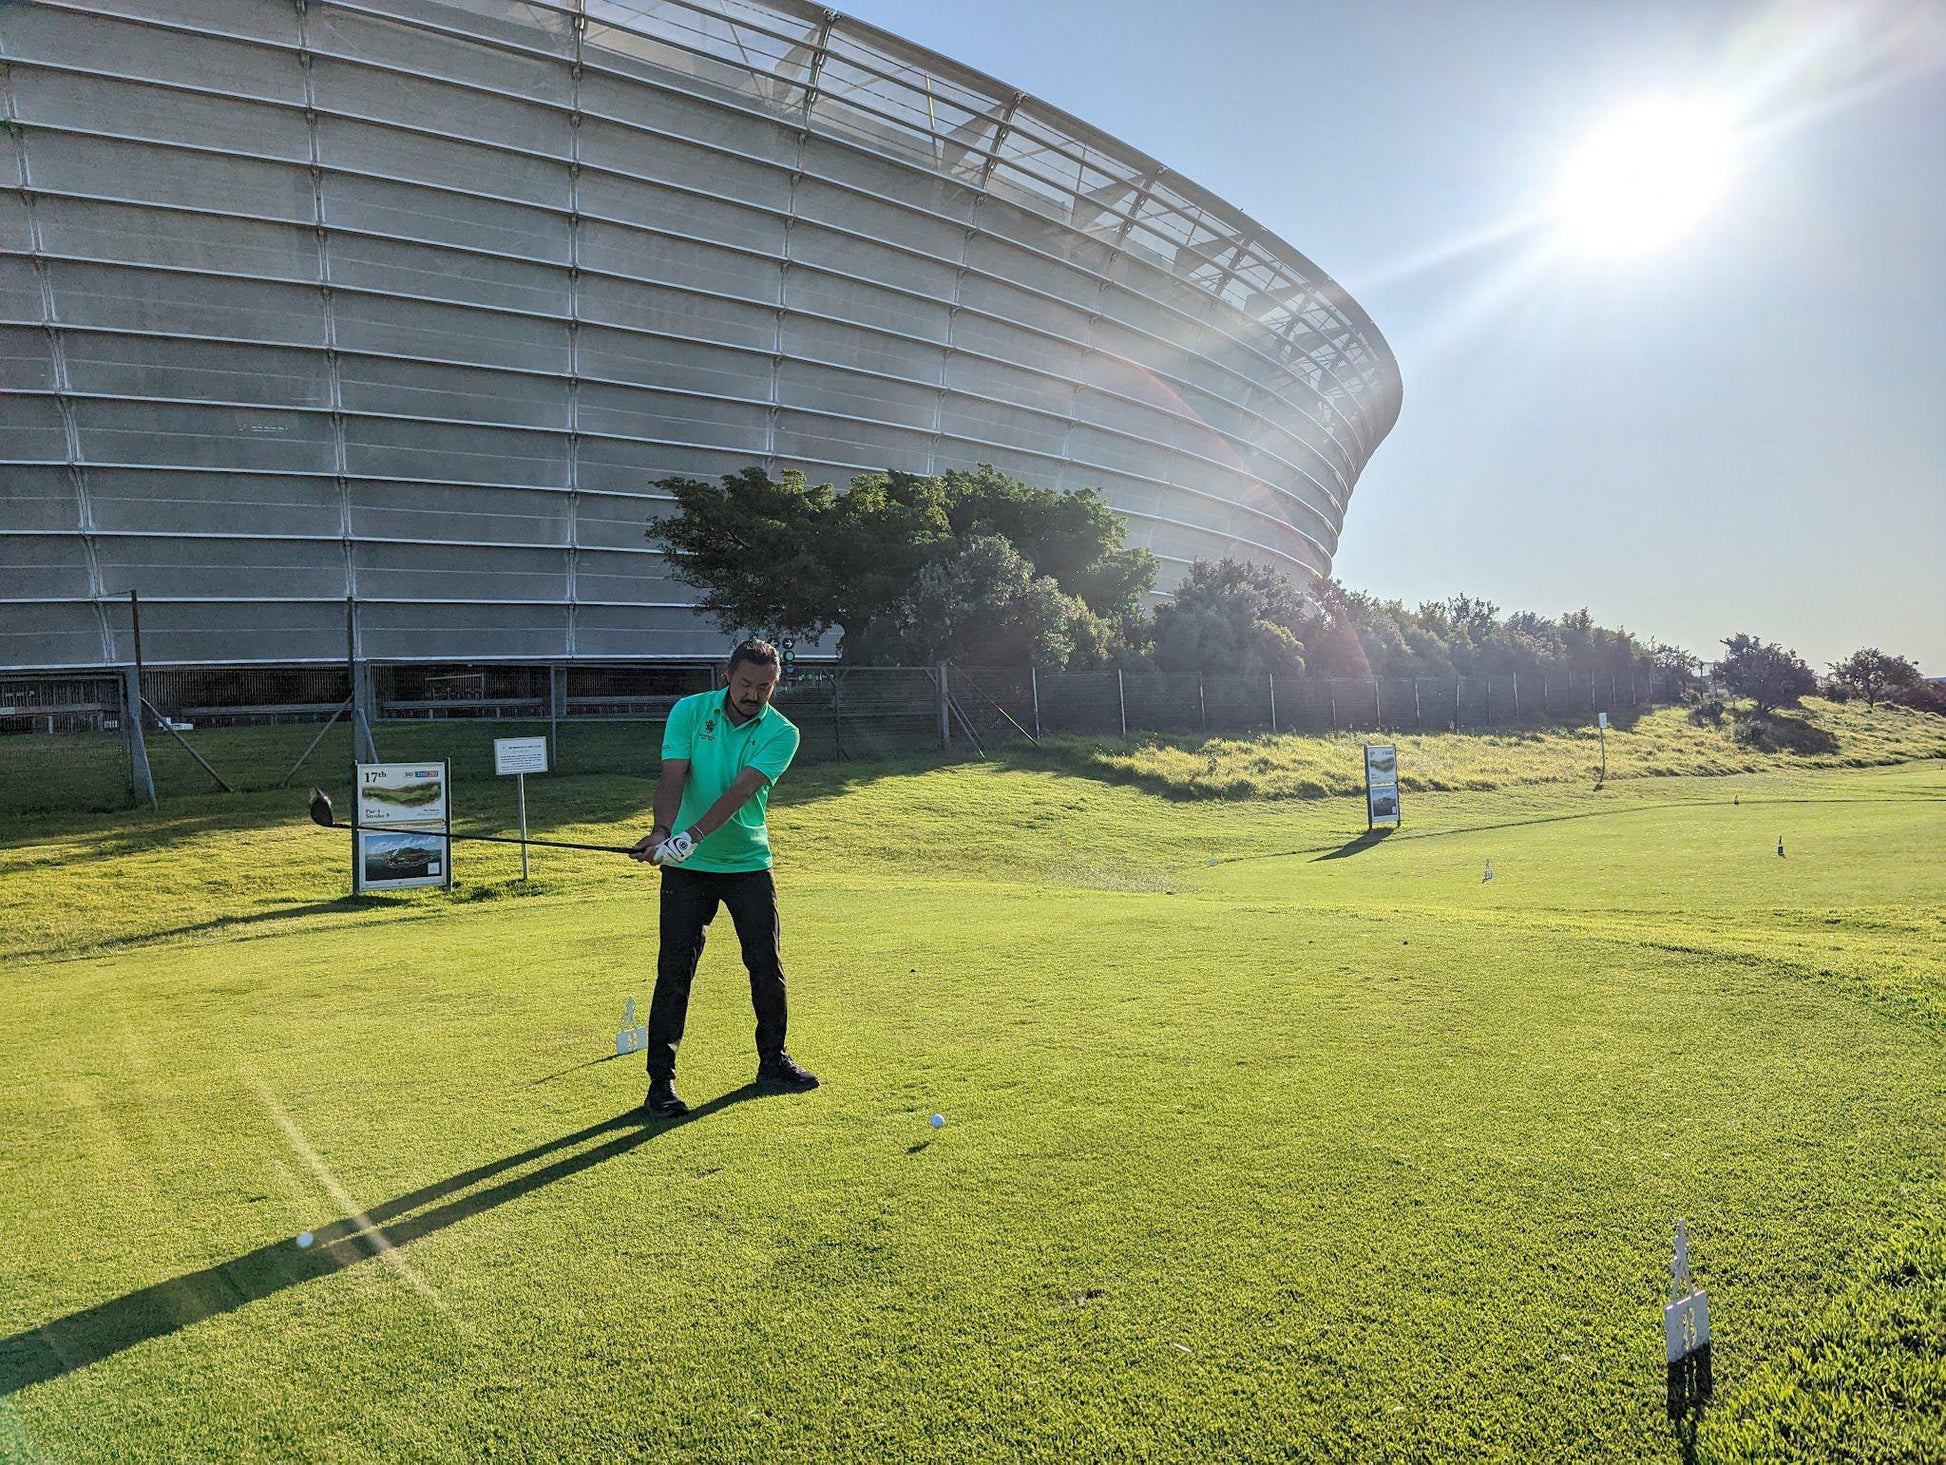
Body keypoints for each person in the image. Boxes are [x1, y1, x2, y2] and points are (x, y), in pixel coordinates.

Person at [630, 639, 817, 1117]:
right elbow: (673, 777)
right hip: (686, 870)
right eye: (746, 684)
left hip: (747, 864)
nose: (753, 695)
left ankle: (772, 1063)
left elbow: (740, 792)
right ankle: (660, 1086)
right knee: (674, 972)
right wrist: (662, 832)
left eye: (765, 687)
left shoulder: (782, 732)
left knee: (765, 966)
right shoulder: (690, 713)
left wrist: (689, 835)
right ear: (726, 676)